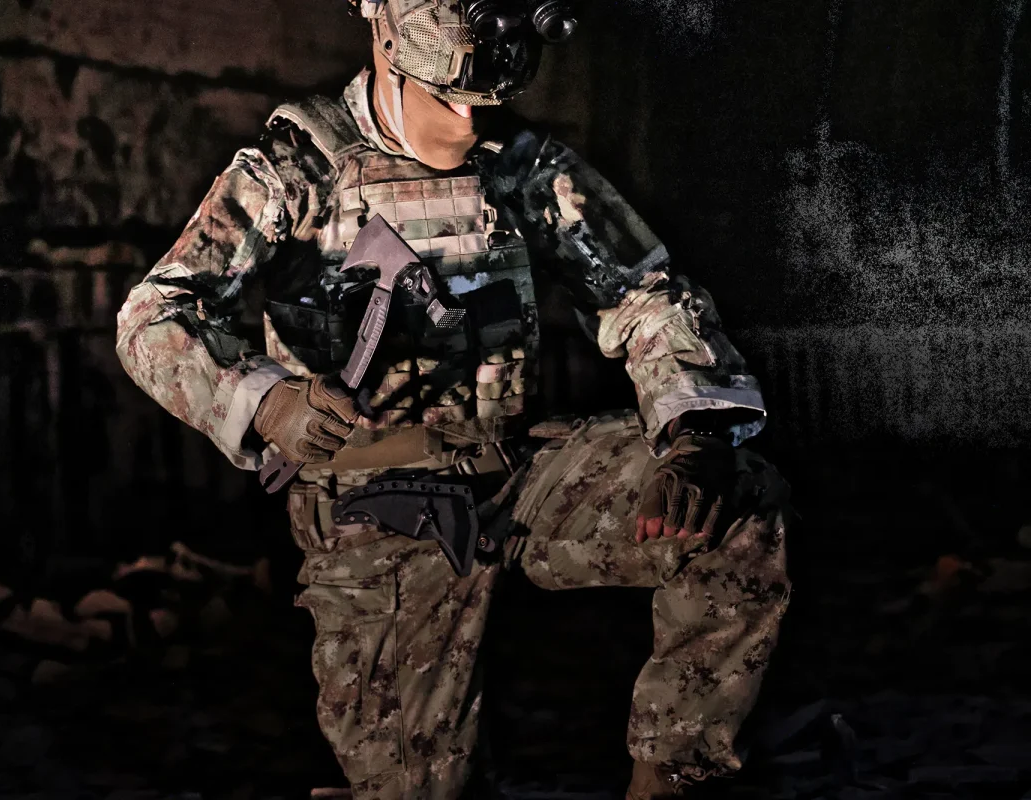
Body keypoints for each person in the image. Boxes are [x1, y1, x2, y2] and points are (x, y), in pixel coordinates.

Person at [115, 1, 792, 797]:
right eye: (448, 99)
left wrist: (696, 434)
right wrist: (264, 401)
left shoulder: (522, 166)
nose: (469, 122)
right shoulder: (295, 172)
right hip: (375, 509)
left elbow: (646, 294)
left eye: (486, 103)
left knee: (733, 502)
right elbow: (154, 316)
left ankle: (674, 776)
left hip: (518, 479)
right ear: (386, 46)